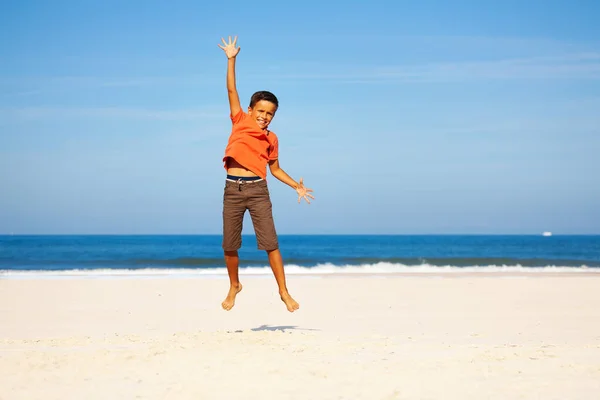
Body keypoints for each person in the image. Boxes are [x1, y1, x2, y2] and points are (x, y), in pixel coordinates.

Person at [217, 36, 314, 312]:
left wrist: (296, 185)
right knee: (229, 244)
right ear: (250, 110)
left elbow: (275, 169)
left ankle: (283, 292)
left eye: (270, 113)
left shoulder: (272, 139)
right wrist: (231, 59)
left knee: (271, 243)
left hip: (258, 190)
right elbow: (231, 90)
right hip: (232, 190)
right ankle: (234, 285)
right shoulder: (240, 120)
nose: (264, 116)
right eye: (260, 110)